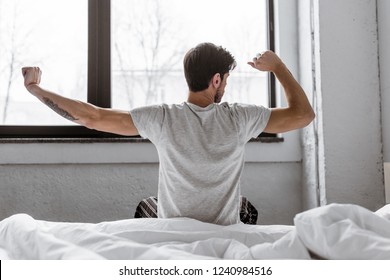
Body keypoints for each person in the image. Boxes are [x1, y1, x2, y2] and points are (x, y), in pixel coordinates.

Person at [22, 42, 315, 225]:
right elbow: (304, 115)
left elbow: (91, 116)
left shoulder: (162, 118)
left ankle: (159, 241)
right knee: (246, 209)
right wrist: (276, 66)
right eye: (225, 80)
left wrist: (36, 90)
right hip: (223, 227)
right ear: (216, 80)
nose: (225, 86)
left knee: (147, 206)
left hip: (173, 225)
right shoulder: (240, 117)